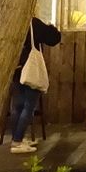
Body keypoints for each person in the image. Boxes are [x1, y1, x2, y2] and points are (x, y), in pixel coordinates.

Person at [9, 16, 62, 153]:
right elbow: (54, 38)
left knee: (17, 107)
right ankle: (18, 141)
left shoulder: (11, 21)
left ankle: (16, 139)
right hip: (30, 69)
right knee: (29, 107)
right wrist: (51, 26)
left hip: (15, 69)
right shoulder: (32, 23)